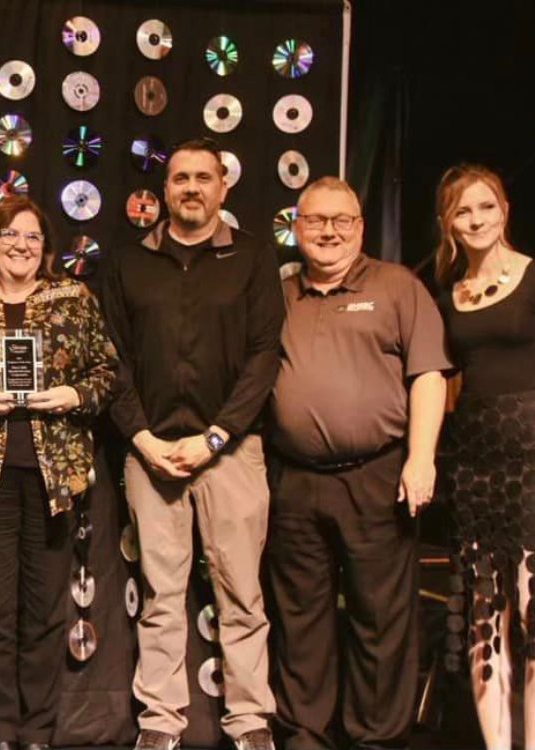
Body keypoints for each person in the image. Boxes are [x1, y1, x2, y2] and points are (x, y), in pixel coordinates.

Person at [102, 137, 284, 750]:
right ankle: (160, 723)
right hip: (151, 454)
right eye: (180, 178)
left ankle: (250, 720)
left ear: (222, 188)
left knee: (242, 594)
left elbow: (264, 358)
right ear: (163, 191)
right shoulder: (129, 264)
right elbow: (114, 363)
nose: (191, 189)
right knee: (161, 597)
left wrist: (215, 436)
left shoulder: (254, 261)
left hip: (230, 452)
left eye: (203, 178)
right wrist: (143, 438)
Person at [267, 176, 450, 750]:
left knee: (380, 618)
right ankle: (305, 735)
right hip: (293, 478)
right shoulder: (275, 291)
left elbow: (428, 377)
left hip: (378, 474)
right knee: (300, 618)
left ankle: (375, 738)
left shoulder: (397, 286)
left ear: (360, 227)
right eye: (316, 220)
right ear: (296, 228)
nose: (328, 231)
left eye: (341, 220)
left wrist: (421, 460)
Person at [0, 196, 118, 750]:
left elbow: (107, 371)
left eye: (33, 237)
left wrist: (74, 394)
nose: (21, 245)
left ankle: (38, 735)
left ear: (46, 248)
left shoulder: (73, 299)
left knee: (43, 613)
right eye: (10, 234)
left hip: (55, 482)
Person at [434, 164, 535, 750]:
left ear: (504, 210)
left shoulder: (533, 276)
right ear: (447, 222)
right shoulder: (447, 296)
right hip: (475, 465)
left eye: (486, 207)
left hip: (531, 462)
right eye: (463, 211)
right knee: (483, 618)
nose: (476, 220)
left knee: (531, 611)